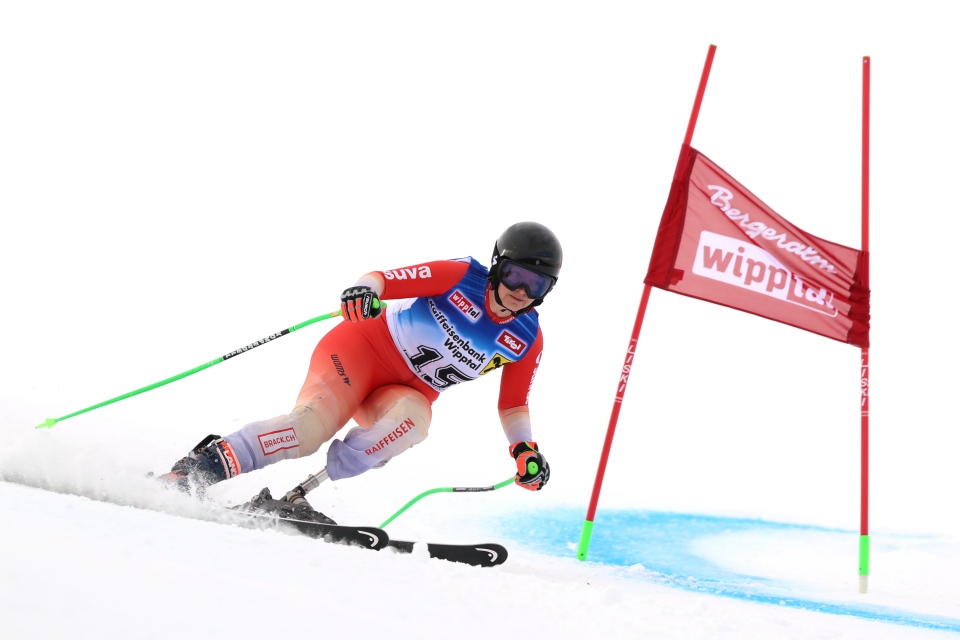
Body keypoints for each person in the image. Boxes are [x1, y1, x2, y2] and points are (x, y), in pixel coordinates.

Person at [157, 221, 561, 497]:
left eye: (536, 284)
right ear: (497, 267)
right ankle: (194, 470)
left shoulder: (525, 338)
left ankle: (299, 495)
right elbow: (382, 279)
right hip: (359, 353)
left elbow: (513, 403)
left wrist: (524, 450)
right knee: (307, 432)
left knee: (412, 425)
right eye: (515, 276)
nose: (522, 291)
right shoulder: (462, 277)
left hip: (403, 392)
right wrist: (362, 290)